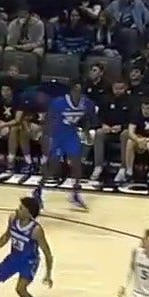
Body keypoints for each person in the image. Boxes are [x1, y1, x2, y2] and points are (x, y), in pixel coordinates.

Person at [45, 82, 92, 210]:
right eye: (76, 90)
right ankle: (38, 191)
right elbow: (49, 119)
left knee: (77, 164)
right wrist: (48, 137)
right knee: (53, 168)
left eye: (80, 90)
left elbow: (87, 118)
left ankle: (75, 193)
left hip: (71, 134)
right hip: (58, 134)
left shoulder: (86, 103)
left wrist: (86, 132)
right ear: (70, 91)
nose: (78, 93)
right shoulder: (59, 102)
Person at [121, 97, 149, 183]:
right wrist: (138, 140)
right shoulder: (136, 113)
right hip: (139, 137)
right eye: (144, 108)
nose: (146, 111)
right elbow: (131, 132)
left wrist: (148, 140)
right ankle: (129, 172)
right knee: (130, 142)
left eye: (148, 108)